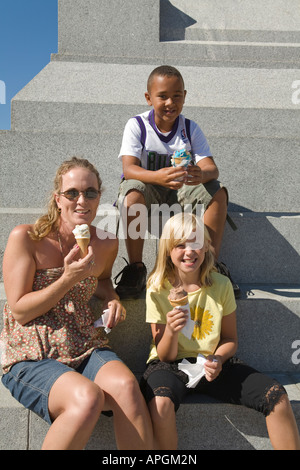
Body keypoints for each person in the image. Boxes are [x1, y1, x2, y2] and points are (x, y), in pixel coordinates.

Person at [0, 157, 153, 450]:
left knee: (128, 388)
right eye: (72, 193)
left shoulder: (106, 243)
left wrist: (112, 299)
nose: (81, 200)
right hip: (34, 352)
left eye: (90, 192)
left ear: (99, 197)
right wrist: (67, 278)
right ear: (58, 199)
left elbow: (104, 281)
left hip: (84, 343)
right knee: (88, 399)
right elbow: (19, 310)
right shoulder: (27, 238)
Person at [140, 212, 300, 450]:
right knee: (160, 404)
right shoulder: (157, 288)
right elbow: (165, 356)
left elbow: (229, 339)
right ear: (167, 249)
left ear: (206, 246)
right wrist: (172, 331)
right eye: (180, 245)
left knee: (276, 396)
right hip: (170, 365)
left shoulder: (220, 285)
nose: (189, 251)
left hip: (212, 361)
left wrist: (218, 358)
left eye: (195, 243)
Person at [114, 64, 239, 300]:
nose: (170, 103)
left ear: (184, 97)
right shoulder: (137, 125)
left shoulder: (190, 128)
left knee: (217, 192)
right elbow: (128, 169)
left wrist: (201, 175)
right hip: (149, 188)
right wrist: (158, 176)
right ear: (148, 98)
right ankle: (136, 268)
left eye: (176, 96)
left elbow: (211, 167)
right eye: (162, 96)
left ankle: (209, 265)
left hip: (181, 192)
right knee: (131, 196)